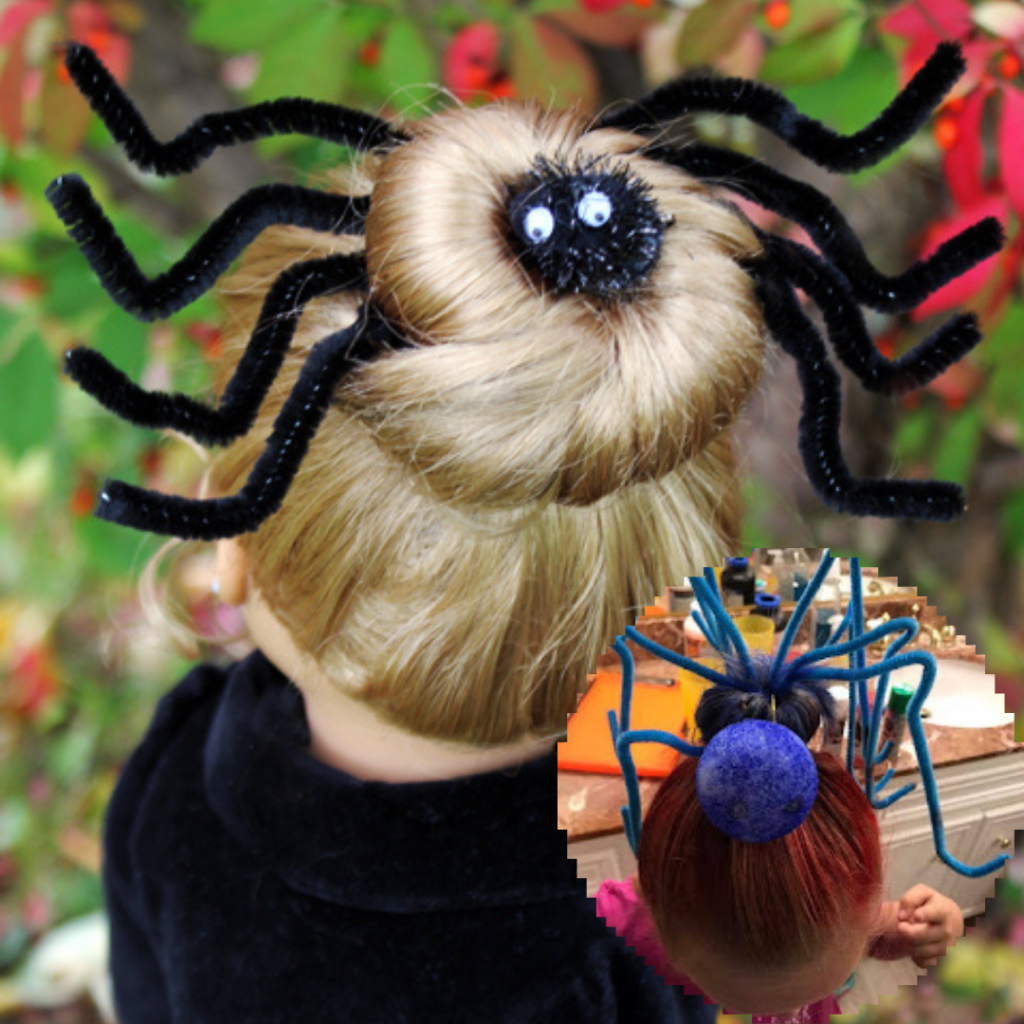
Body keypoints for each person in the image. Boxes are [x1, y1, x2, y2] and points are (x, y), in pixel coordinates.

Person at [596, 754, 965, 1023]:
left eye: (814, 996)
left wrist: (909, 931)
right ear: (663, 935)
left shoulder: (835, 918)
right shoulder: (607, 933)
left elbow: (870, 931)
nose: (791, 1016)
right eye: (750, 1005)